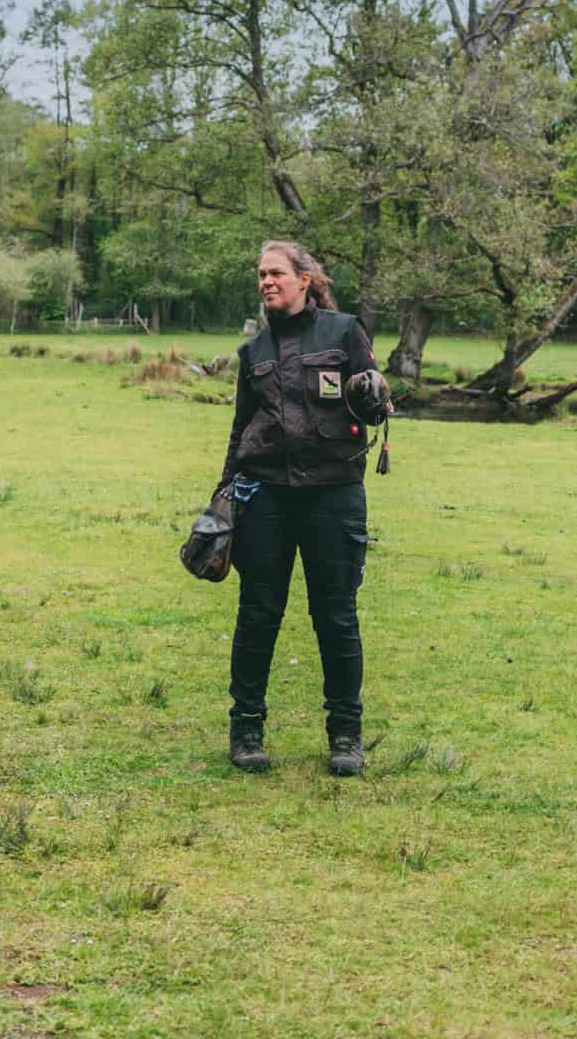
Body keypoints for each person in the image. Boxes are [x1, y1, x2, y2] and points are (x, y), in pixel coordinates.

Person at [216, 240, 387, 777]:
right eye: (260, 274)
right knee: (258, 615)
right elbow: (241, 428)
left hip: (333, 495)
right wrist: (222, 499)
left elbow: (378, 404)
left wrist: (376, 395)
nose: (266, 281)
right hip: (264, 496)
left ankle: (346, 735)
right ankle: (246, 729)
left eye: (276, 273)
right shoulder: (253, 353)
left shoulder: (344, 332)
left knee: (335, 617)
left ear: (304, 279)